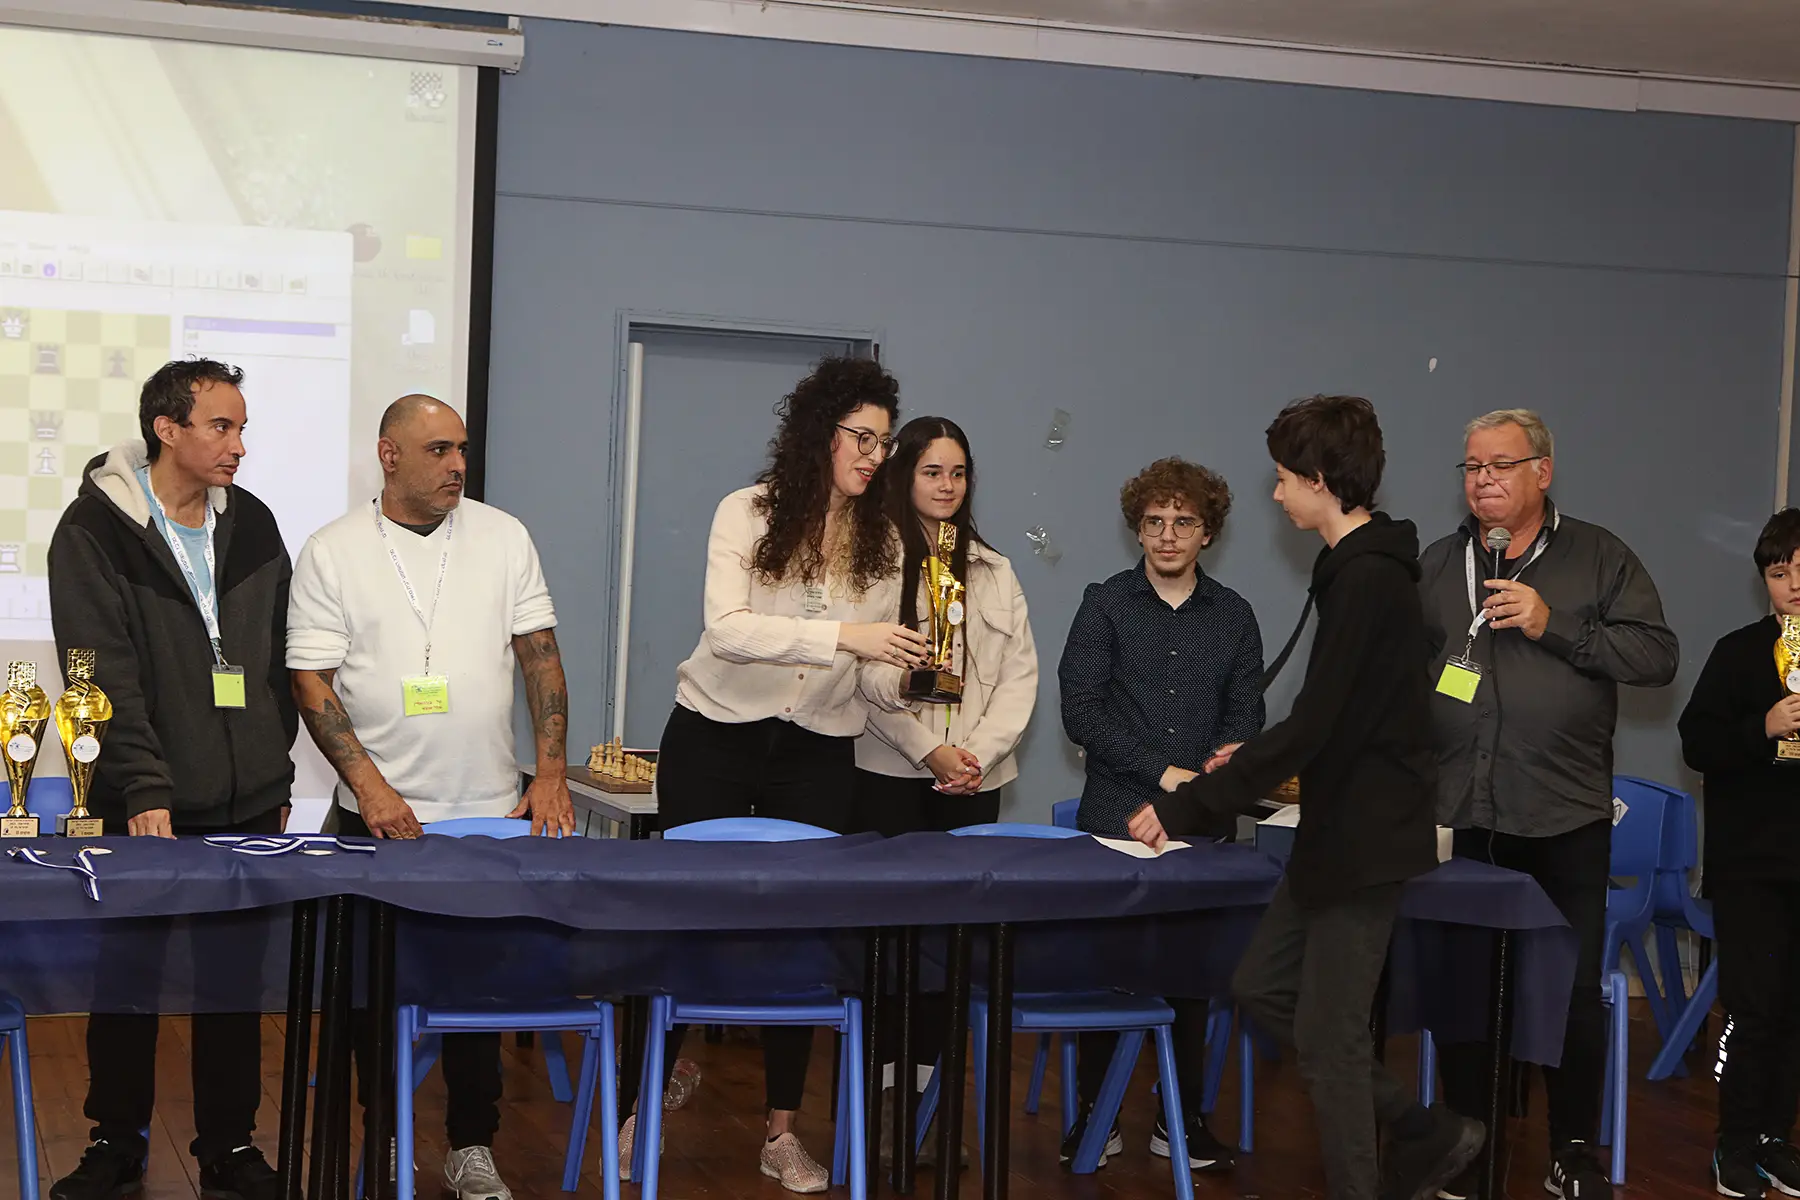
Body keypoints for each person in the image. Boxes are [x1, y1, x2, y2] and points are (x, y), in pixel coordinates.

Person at [1130, 395, 1483, 1200]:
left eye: (1286, 478)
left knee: (1329, 1046)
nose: (1278, 493)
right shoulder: (1355, 572)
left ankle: (1392, 1164)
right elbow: (1336, 719)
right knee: (1261, 986)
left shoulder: (1368, 580)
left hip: (1366, 841)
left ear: (1320, 479)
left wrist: (1194, 802)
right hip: (1337, 834)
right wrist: (1257, 760)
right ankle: (1424, 1129)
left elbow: (1317, 723)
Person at [639, 355, 926, 1193]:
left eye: (884, 442)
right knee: (683, 924)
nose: (875, 456)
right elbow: (728, 630)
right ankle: (640, 1108)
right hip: (715, 739)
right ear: (818, 433)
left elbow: (870, 677)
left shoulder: (884, 543)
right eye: (862, 437)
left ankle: (782, 1132)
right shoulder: (748, 512)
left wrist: (906, 674)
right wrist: (848, 638)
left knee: (800, 936)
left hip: (816, 751)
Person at [287, 394, 574, 1200]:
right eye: (439, 450)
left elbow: (540, 656)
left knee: (476, 995)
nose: (457, 465)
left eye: (463, 450)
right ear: (389, 455)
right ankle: (384, 1137)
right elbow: (310, 679)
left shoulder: (503, 536)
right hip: (380, 818)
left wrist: (550, 772)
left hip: (489, 811)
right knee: (372, 998)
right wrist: (370, 786)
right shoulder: (334, 550)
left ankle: (471, 1145)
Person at [46, 358, 296, 1200]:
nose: (238, 445)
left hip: (248, 799)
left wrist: (273, 766)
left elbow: (277, 660)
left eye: (242, 428)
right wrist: (146, 784)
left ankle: (229, 1144)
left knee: (234, 981)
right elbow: (99, 673)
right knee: (130, 978)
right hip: (143, 802)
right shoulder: (95, 529)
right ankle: (115, 1141)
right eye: (221, 426)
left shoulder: (252, 523)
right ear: (166, 429)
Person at [1419, 409, 1677, 1200]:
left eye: (1500, 464)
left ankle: (1571, 1151)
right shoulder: (1439, 563)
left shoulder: (1599, 556)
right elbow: (1405, 670)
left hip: (1564, 816)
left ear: (1543, 470)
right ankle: (1470, 1146)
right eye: (1472, 467)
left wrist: (1553, 624)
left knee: (1567, 991)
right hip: (1467, 813)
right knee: (1466, 991)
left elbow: (1657, 656)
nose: (1483, 480)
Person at [1057, 455, 1262, 1172]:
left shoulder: (1235, 616)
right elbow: (1082, 712)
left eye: (1184, 522)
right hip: (1114, 816)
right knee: (1103, 969)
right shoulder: (1104, 604)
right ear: (1137, 530)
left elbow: (1247, 717)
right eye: (1154, 522)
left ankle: (1184, 1119)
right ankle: (1093, 1113)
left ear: (1208, 532)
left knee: (1192, 973)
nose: (1168, 535)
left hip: (1201, 825)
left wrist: (1223, 766)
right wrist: (1165, 776)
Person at [853, 416, 1039, 1158]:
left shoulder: (992, 569)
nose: (947, 486)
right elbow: (863, 678)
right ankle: (883, 1098)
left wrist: (974, 758)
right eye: (932, 471)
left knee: (950, 949)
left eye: (958, 473)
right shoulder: (872, 561)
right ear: (904, 476)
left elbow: (1020, 677)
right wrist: (929, 750)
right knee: (891, 946)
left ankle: (932, 1104)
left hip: (972, 783)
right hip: (890, 776)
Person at [1678, 508, 1800, 1200]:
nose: (1792, 585)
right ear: (1764, 581)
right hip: (1752, 867)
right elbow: (1697, 743)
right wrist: (1764, 725)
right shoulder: (1738, 653)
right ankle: (1735, 1142)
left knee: (1794, 1013)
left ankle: (1777, 1139)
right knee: (1753, 1008)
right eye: (1779, 573)